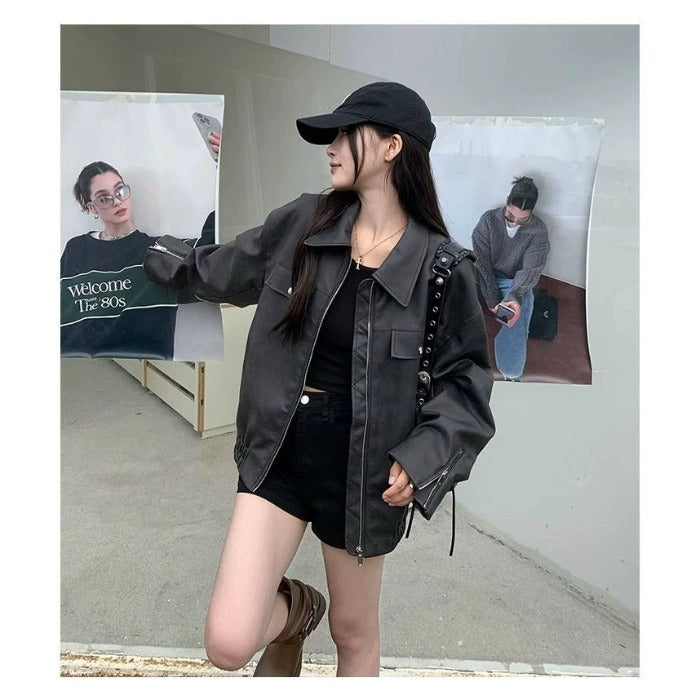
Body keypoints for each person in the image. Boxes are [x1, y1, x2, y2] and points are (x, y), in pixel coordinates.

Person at [144, 81, 496, 677]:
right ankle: (295, 612)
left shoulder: (442, 269)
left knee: (353, 633)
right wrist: (147, 254)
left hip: (363, 472)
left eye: (345, 134)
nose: (330, 147)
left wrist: (423, 459)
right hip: (279, 449)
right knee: (228, 643)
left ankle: (321, 622)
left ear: (392, 147)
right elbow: (224, 269)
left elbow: (466, 383)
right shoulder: (305, 222)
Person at [61, 161, 215, 358]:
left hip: (143, 364)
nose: (117, 201)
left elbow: (211, 249)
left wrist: (222, 164)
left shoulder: (159, 251)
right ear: (92, 208)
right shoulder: (76, 249)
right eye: (104, 198)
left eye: (120, 190)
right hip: (79, 367)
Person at [471, 177, 550, 381]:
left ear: (531, 212)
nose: (514, 222)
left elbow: (530, 270)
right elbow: (481, 262)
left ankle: (511, 373)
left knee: (522, 304)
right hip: (483, 276)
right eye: (511, 216)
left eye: (522, 220)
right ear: (507, 201)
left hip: (513, 282)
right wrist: (492, 298)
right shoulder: (489, 221)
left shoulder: (538, 232)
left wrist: (513, 297)